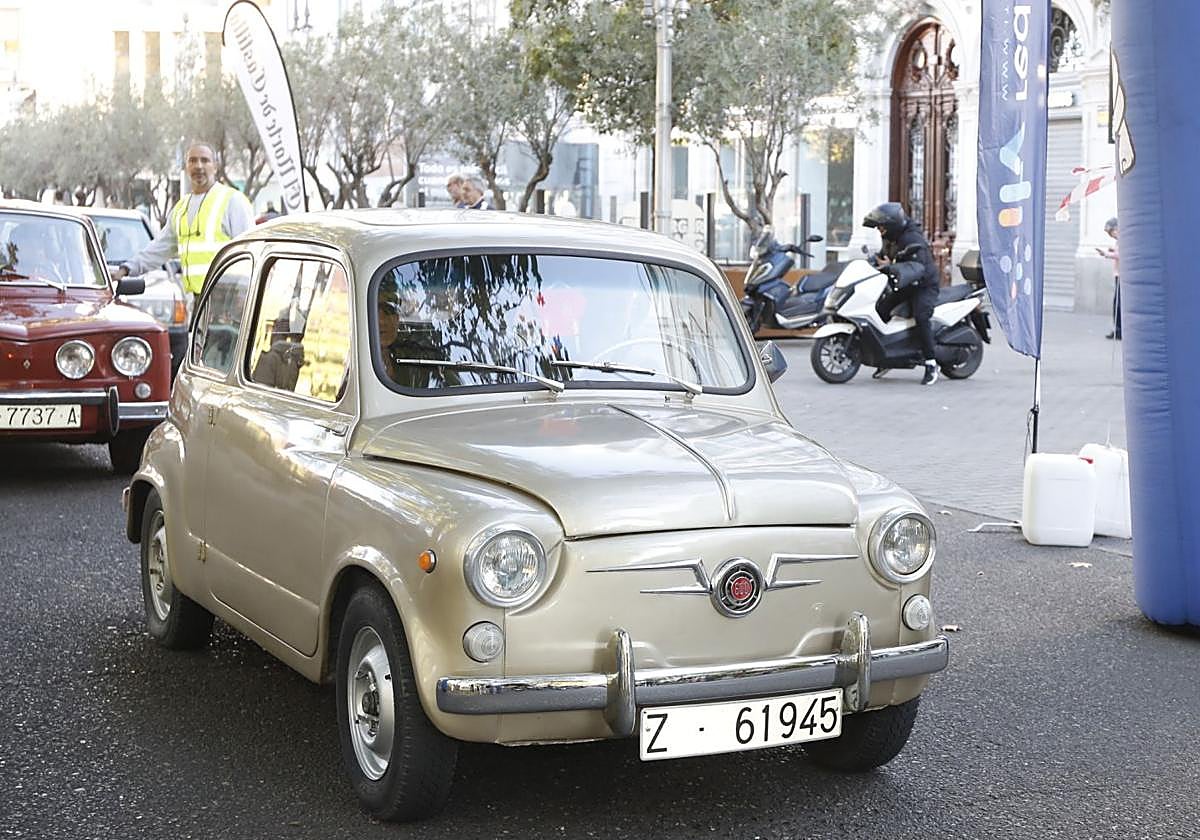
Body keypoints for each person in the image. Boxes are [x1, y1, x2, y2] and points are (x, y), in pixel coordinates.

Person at [110, 141, 253, 299]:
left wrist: (244, 296)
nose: (199, 166)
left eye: (205, 160)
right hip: (197, 302)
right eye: (193, 160)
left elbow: (250, 251)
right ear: (186, 167)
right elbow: (158, 249)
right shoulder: (181, 209)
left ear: (215, 166)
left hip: (229, 300)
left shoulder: (232, 201)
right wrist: (125, 270)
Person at [863, 202, 941, 385]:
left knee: (921, 316)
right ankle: (887, 357)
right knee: (881, 308)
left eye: (881, 227)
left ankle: (931, 363)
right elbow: (886, 257)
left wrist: (892, 264)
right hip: (904, 283)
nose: (879, 230)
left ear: (891, 225)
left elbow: (916, 267)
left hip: (923, 285)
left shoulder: (913, 239)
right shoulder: (891, 237)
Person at [1096, 217, 1120, 340]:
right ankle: (1117, 329)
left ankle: (1118, 330)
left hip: (1121, 276)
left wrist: (1106, 254)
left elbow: (1120, 255)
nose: (1112, 235)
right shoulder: (1118, 241)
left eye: (1112, 232)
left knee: (1118, 305)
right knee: (1117, 304)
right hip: (1118, 275)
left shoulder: (1123, 240)